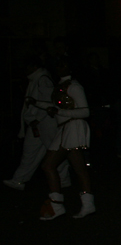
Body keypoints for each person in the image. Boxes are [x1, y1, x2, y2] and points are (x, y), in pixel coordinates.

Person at [39, 56, 95, 220]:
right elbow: (55, 108)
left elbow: (85, 112)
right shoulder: (61, 86)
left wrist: (60, 112)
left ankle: (57, 205)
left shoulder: (75, 86)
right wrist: (37, 103)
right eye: (58, 65)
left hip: (73, 127)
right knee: (78, 168)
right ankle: (83, 205)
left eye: (64, 65)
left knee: (50, 165)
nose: (60, 68)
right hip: (64, 129)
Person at [4, 56, 71, 191]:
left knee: (54, 152)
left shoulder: (42, 80)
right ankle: (19, 180)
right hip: (38, 123)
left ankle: (64, 179)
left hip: (45, 123)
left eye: (27, 67)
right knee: (30, 152)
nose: (25, 70)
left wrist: (38, 119)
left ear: (34, 67)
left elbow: (47, 102)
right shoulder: (37, 79)